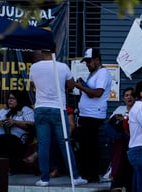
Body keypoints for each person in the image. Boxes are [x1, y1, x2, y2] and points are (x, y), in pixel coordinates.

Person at [29, 46, 87, 187]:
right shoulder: (62, 67)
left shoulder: (34, 67)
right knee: (65, 143)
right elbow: (71, 85)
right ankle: (75, 177)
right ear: (55, 51)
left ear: (42, 52)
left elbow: (32, 84)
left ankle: (44, 179)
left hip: (41, 107)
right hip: (58, 108)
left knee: (43, 144)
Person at [74, 48, 112, 183]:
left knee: (89, 146)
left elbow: (97, 93)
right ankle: (87, 174)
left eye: (89, 62)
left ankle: (90, 175)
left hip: (93, 115)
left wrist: (80, 87)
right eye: (86, 62)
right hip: (86, 115)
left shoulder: (103, 73)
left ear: (97, 60)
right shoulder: (93, 74)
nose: (87, 65)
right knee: (86, 146)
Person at [0, 90, 34, 174]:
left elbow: (32, 125)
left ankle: (7, 167)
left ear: (19, 99)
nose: (10, 100)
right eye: (9, 98)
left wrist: (15, 122)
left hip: (16, 139)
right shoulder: (3, 111)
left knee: (8, 139)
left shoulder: (25, 110)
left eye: (13, 98)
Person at [106, 87, 135, 191]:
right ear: (123, 98)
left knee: (121, 141)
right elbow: (110, 121)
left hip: (131, 138)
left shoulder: (137, 109)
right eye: (126, 95)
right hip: (119, 138)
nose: (129, 97)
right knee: (110, 127)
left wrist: (125, 119)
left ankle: (116, 177)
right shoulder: (120, 109)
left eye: (131, 95)